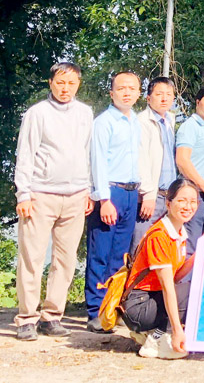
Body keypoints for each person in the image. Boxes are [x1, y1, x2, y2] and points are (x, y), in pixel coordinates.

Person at [13, 61, 94, 341]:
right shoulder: (37, 114)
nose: (65, 88)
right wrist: (23, 193)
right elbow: (25, 154)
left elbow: (86, 154)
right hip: (40, 194)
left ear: (78, 84)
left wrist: (88, 190)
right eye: (60, 82)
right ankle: (26, 318)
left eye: (71, 83)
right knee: (32, 258)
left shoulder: (85, 113)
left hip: (75, 196)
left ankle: (52, 316)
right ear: (51, 83)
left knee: (66, 259)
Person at [86, 71, 143, 332]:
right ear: (111, 92)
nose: (127, 93)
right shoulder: (104, 122)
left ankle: (112, 309)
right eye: (121, 88)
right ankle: (95, 311)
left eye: (132, 88)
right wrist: (104, 199)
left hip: (132, 192)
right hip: (111, 193)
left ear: (139, 93)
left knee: (120, 257)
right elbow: (97, 162)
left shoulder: (134, 122)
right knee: (101, 252)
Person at [120, 177, 199, 361]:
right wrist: (178, 330)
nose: (188, 206)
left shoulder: (179, 232)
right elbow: (168, 287)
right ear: (168, 203)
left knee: (193, 288)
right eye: (182, 200)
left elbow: (175, 276)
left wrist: (197, 256)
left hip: (151, 300)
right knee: (189, 293)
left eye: (193, 201)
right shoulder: (160, 235)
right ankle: (159, 339)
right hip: (138, 305)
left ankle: (153, 335)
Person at [133, 77, 179, 252]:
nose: (164, 98)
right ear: (148, 98)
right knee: (141, 244)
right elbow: (141, 159)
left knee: (162, 247)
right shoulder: (142, 122)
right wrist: (148, 194)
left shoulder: (169, 121)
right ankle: (134, 279)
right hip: (151, 196)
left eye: (168, 94)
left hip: (168, 195)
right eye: (159, 94)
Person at [174, 85, 204, 253]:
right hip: (192, 191)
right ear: (198, 102)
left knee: (202, 243)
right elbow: (182, 160)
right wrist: (202, 184)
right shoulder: (191, 126)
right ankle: (184, 280)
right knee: (190, 243)